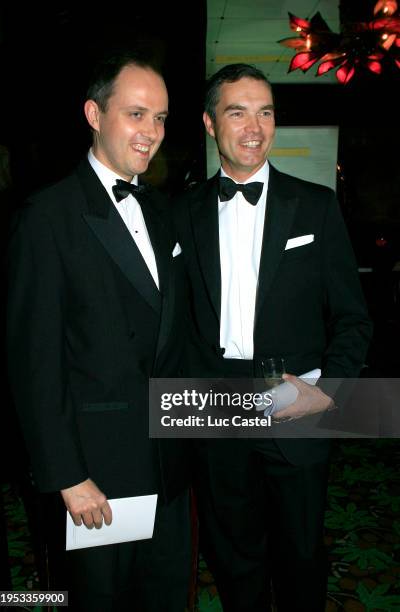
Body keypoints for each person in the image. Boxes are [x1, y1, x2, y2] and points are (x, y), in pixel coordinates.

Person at [174, 63, 372, 611]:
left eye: (265, 112)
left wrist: (327, 391)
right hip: (217, 405)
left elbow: (354, 319)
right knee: (233, 556)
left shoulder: (316, 205)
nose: (254, 127)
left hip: (296, 397)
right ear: (211, 124)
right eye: (237, 112)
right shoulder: (180, 213)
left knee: (301, 556)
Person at [7, 51, 190, 612]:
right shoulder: (48, 216)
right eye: (136, 114)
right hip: (98, 476)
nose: (151, 132)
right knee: (98, 600)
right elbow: (33, 359)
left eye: (159, 118)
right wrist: (67, 476)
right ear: (94, 113)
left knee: (163, 597)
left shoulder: (163, 212)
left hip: (169, 465)